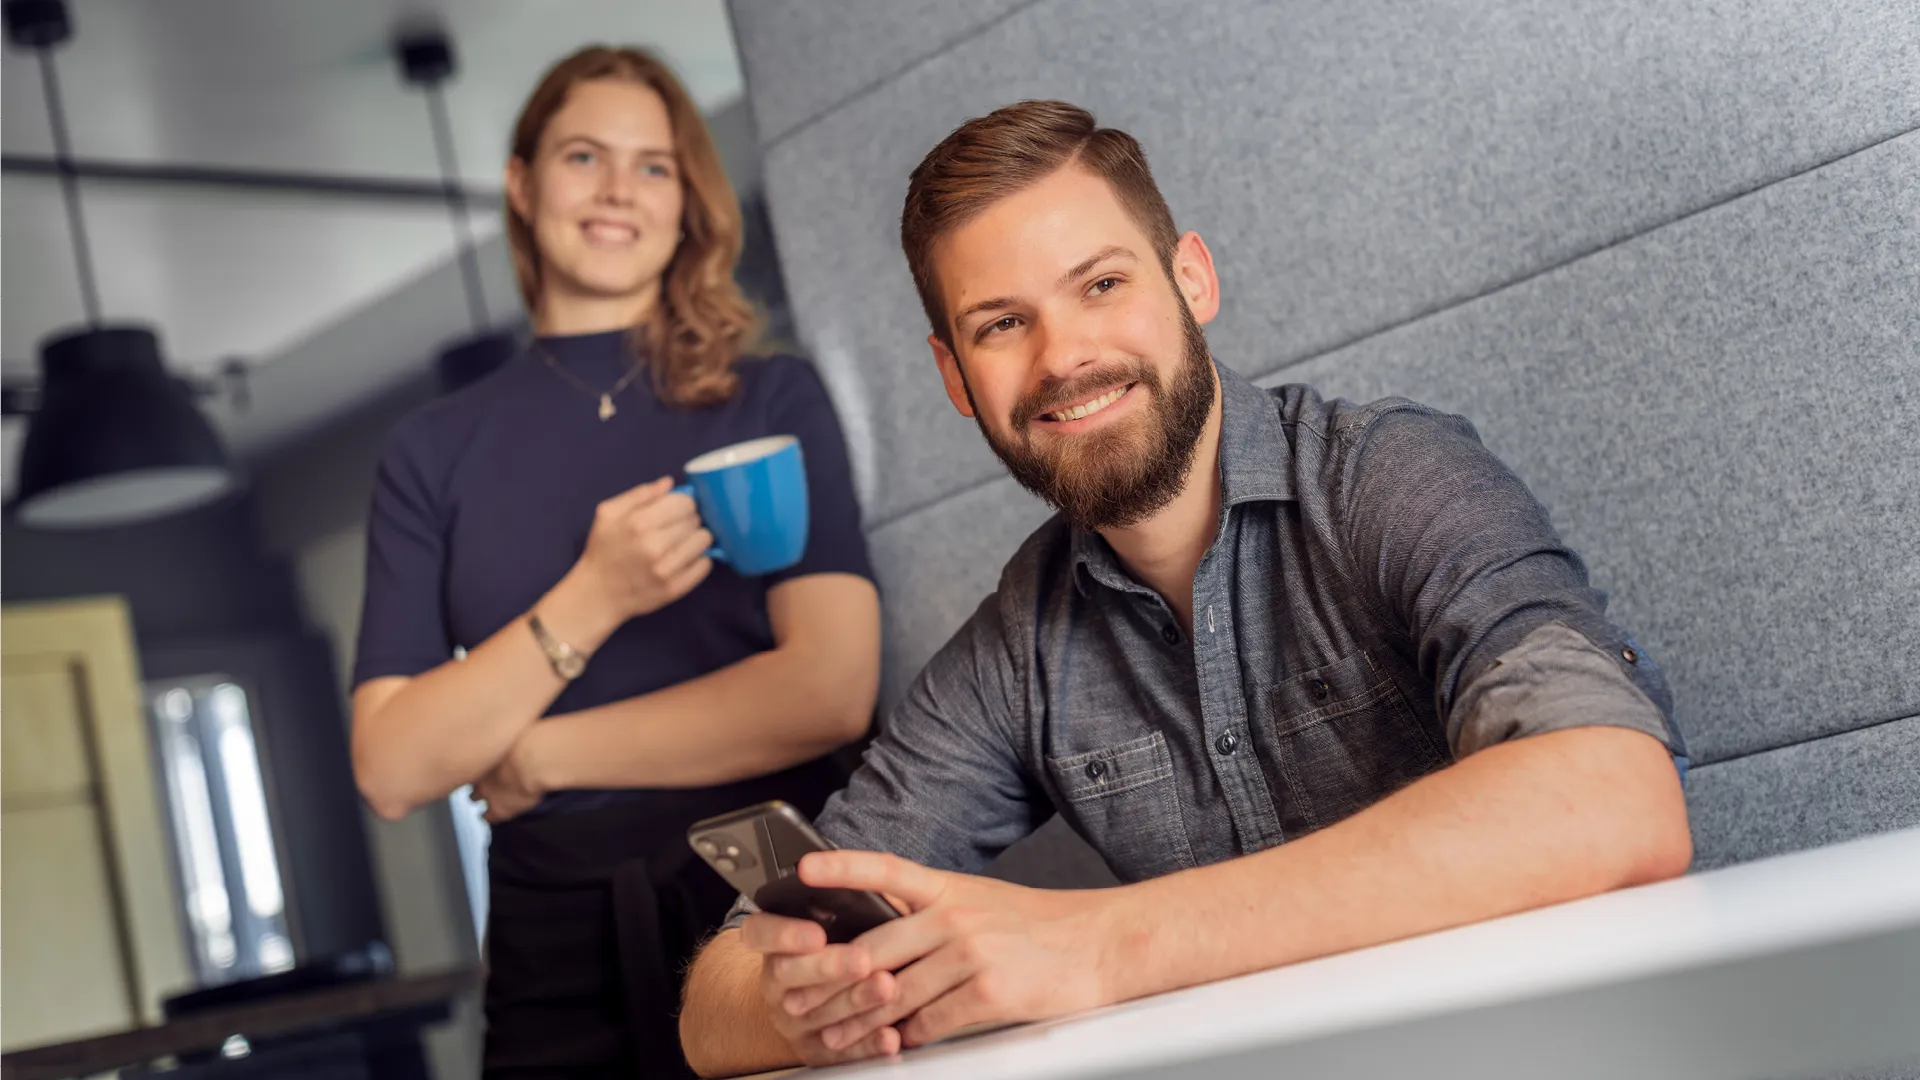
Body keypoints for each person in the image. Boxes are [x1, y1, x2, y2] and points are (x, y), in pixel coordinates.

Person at [677, 100, 1692, 1075]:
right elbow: (714, 1007)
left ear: (1191, 280)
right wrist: (817, 1003)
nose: (1064, 356)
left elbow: (1614, 798)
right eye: (1000, 325)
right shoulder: (1016, 649)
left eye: (1102, 284)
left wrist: (1100, 946)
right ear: (954, 378)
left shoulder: (1390, 477)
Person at [348, 46, 880, 1079]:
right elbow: (394, 765)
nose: (616, 191)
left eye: (653, 166)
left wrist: (543, 754)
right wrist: (596, 596)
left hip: (771, 881)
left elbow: (829, 689)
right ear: (522, 183)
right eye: (584, 155)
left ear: (687, 202)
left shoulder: (770, 401)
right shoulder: (431, 453)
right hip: (553, 916)